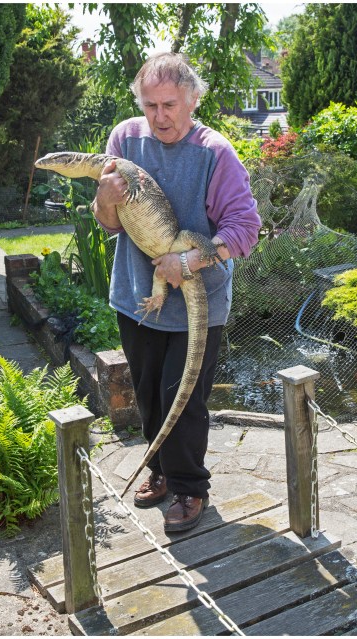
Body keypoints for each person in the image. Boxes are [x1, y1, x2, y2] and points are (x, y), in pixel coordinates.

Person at [92, 52, 261, 532]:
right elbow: (109, 225)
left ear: (193, 100)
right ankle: (161, 473)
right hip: (136, 298)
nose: (159, 116)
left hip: (197, 306)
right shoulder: (124, 139)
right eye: (150, 105)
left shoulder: (215, 153)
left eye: (169, 105)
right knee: (147, 395)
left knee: (182, 400)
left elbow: (245, 229)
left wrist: (187, 261)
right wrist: (103, 201)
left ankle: (190, 490)